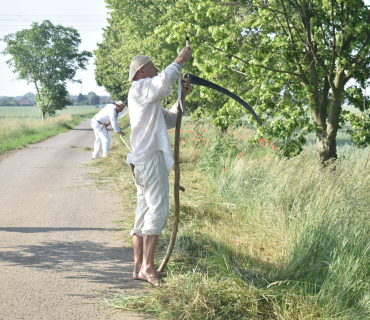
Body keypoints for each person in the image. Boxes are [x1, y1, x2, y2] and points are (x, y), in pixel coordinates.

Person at [127, 46, 192, 287]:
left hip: (144, 160)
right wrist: (179, 61)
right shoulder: (141, 87)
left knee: (144, 212)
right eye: (153, 67)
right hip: (149, 159)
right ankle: (148, 268)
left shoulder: (147, 98)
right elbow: (163, 82)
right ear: (142, 71)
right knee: (158, 210)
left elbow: (171, 120)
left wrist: (182, 97)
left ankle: (138, 268)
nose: (156, 70)